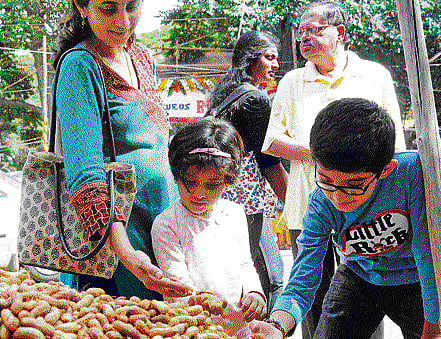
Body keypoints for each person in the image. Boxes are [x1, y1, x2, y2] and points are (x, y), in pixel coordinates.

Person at [261, 1, 406, 336]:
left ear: (339, 32)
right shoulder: (292, 82)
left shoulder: (374, 76)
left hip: (366, 211)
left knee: (367, 289)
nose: (304, 39)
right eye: (300, 33)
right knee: (311, 291)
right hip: (307, 207)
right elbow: (271, 142)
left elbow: (394, 143)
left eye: (313, 29)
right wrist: (324, 154)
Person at [250, 98, 440, 339]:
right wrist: (276, 326)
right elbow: (304, 276)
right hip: (358, 277)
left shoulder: (412, 173)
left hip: (416, 281)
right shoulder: (320, 202)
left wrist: (434, 327)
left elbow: (428, 254)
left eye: (354, 185)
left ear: (385, 169)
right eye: (326, 180)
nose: (338, 198)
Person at [52, 0, 191, 299]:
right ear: (82, 6)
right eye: (109, 8)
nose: (123, 22)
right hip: (115, 242)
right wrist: (127, 255)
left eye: (131, 6)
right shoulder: (79, 66)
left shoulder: (142, 57)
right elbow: (86, 173)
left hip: (163, 225)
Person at [151, 117, 266, 338]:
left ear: (228, 179)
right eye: (190, 182)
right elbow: (180, 292)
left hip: (240, 330)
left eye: (212, 185)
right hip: (193, 330)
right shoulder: (167, 225)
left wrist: (254, 292)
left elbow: (244, 264)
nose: (199, 193)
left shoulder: (234, 214)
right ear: (177, 175)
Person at [207, 30, 288, 311]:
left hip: (221, 197)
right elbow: (270, 164)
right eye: (269, 58)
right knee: (268, 282)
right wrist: (297, 205)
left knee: (260, 274)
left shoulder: (223, 96)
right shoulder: (256, 100)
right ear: (251, 61)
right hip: (245, 204)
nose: (275, 65)